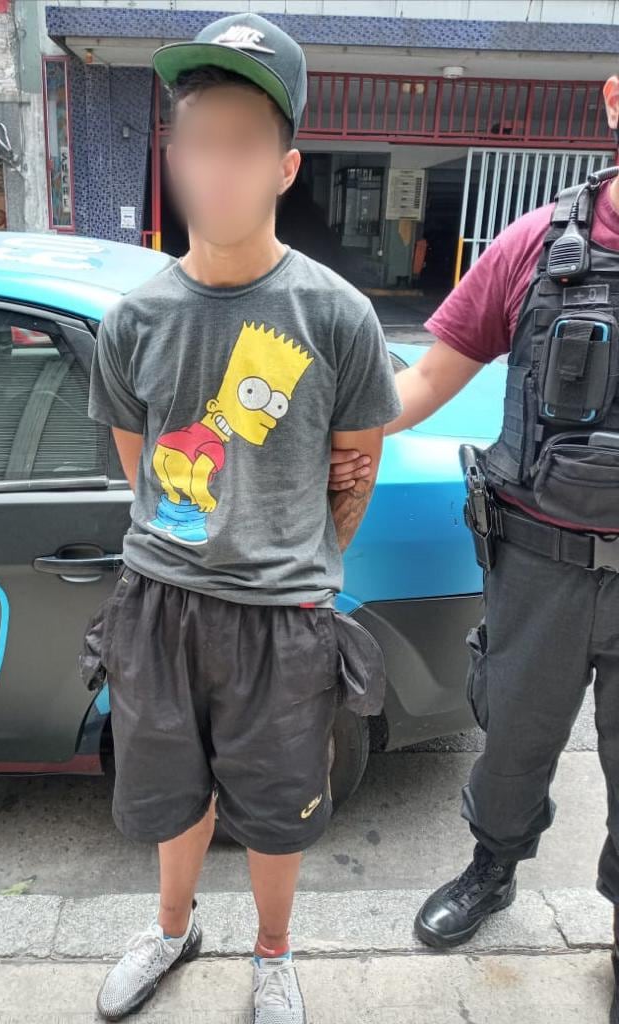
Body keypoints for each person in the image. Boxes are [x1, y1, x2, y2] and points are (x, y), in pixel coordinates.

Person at [86, 12, 401, 1023]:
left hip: (283, 616)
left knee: (278, 808)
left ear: (285, 164)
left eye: (243, 142)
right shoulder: (132, 321)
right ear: (172, 158)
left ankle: (274, 954)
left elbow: (356, 472)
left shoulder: (338, 315)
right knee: (170, 794)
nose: (217, 165)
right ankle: (174, 928)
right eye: (198, 140)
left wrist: (301, 564)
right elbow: (144, 472)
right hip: (161, 606)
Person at [350, 72, 619, 1024]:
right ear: (615, 100)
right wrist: (325, 432)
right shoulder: (537, 249)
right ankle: (492, 870)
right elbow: (424, 377)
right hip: (539, 563)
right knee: (512, 742)